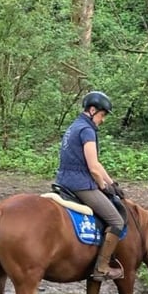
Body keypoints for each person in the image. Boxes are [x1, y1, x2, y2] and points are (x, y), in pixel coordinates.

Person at [56, 91, 125, 281]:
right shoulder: (87, 131)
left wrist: (112, 183)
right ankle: (102, 267)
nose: (102, 120)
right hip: (80, 184)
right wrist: (103, 186)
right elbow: (93, 167)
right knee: (116, 221)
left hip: (63, 180)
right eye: (102, 115)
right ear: (92, 110)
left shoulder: (74, 126)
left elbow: (98, 165)